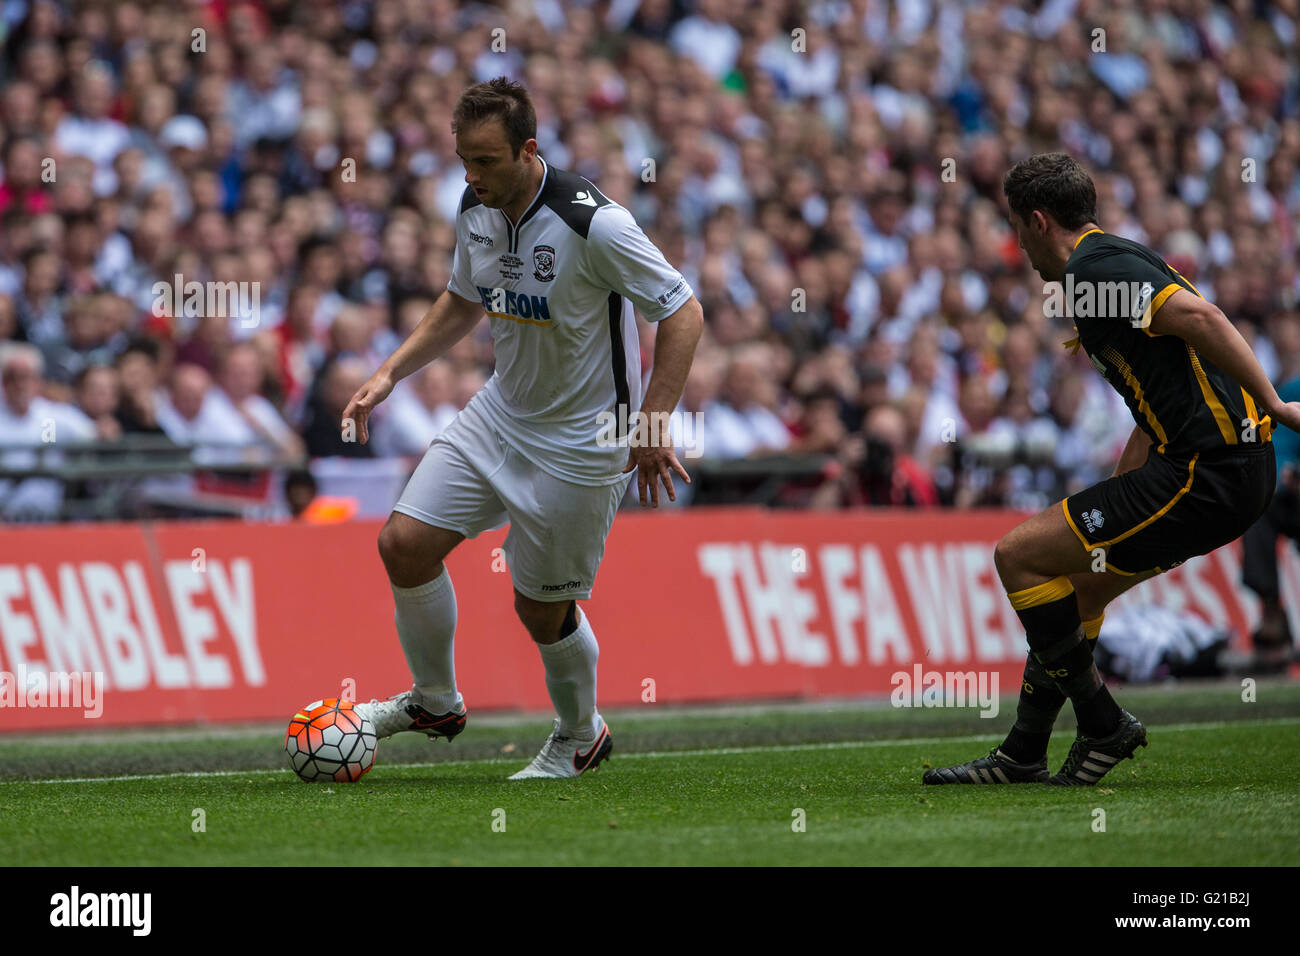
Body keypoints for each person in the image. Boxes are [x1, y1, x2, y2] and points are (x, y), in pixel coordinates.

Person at [345, 78, 702, 779]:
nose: (471, 177)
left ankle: (580, 734)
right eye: (463, 161)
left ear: (528, 150)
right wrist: (390, 373)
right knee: (404, 545)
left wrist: (653, 420)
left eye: (485, 161)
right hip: (502, 414)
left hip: (583, 442)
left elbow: (682, 311)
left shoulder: (594, 224)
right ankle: (435, 700)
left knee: (540, 610)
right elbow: (462, 300)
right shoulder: (475, 208)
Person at [925, 153, 1299, 786]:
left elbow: (1202, 318)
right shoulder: (1109, 262)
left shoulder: (1092, 268)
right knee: (1078, 591)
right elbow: (1159, 395)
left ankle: (1102, 723)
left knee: (1018, 556)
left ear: (1038, 221)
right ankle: (1023, 752)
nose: (1019, 247)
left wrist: (1273, 402)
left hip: (1210, 471)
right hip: (1222, 470)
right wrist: (1124, 486)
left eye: (1017, 228)